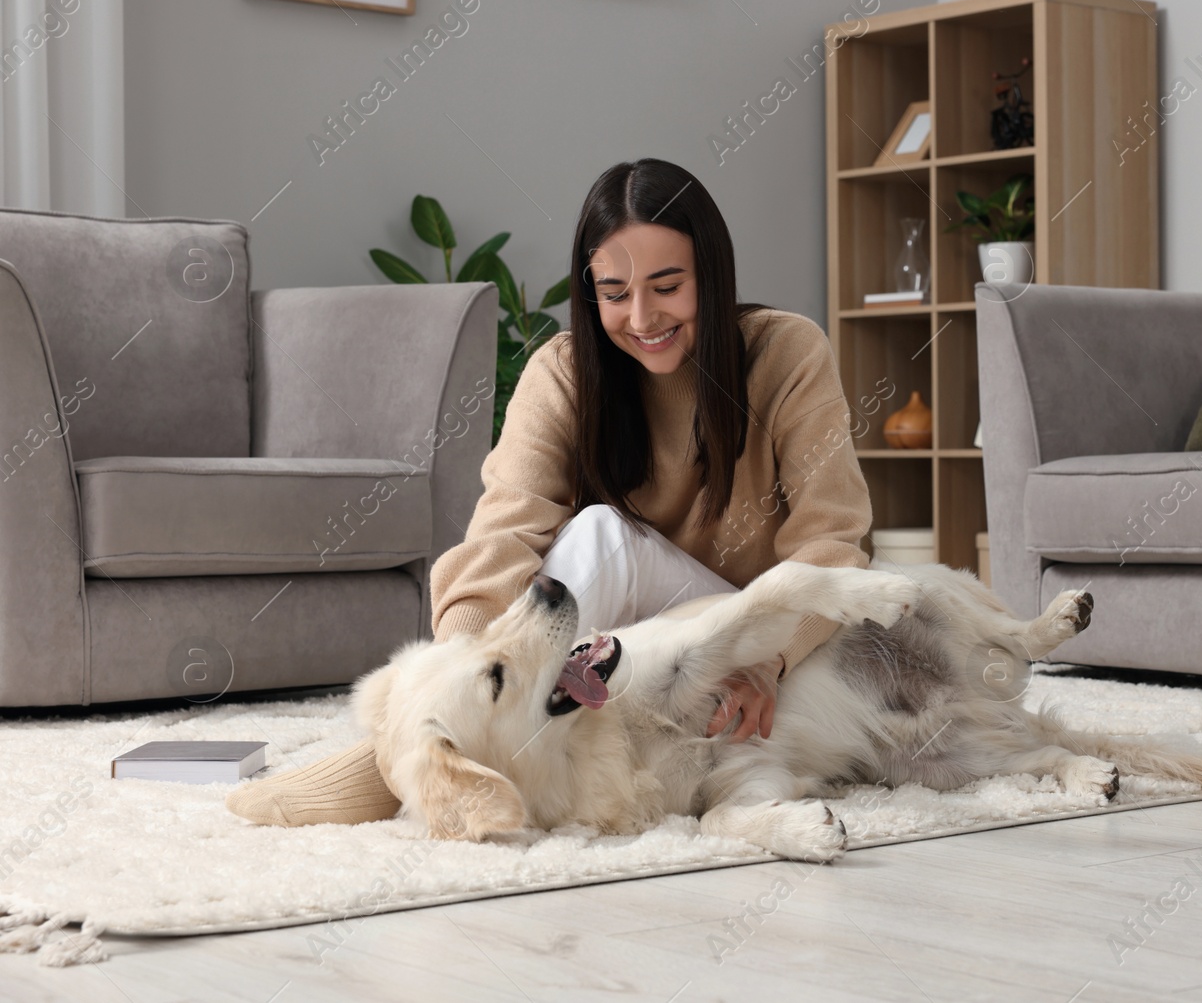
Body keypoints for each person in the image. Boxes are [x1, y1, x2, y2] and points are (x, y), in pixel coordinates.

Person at [227, 157, 875, 827]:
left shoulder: (787, 351)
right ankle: (423, 744)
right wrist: (470, 667)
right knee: (561, 580)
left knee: (602, 536)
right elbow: (502, 538)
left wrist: (766, 654)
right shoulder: (564, 373)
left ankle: (394, 765)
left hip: (749, 623)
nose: (642, 315)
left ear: (710, 275)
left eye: (668, 285)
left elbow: (832, 538)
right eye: (615, 291)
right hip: (630, 646)